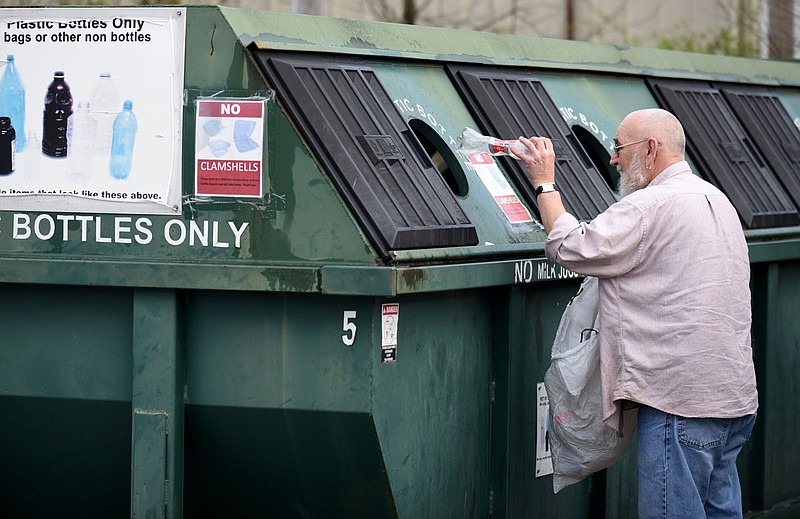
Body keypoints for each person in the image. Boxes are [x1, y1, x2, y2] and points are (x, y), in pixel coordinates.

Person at [518, 108, 758, 518]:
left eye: (618, 147)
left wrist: (543, 183)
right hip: (733, 402)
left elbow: (570, 246)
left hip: (679, 406)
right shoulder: (718, 199)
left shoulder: (650, 205)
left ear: (650, 149)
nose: (612, 159)